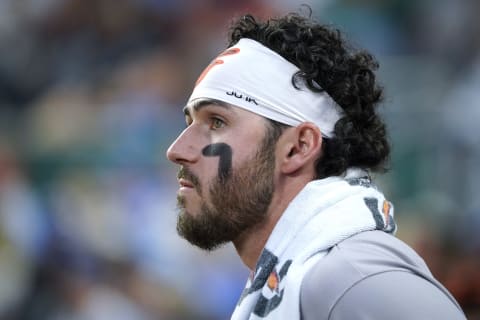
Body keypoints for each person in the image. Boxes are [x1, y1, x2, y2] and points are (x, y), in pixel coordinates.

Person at [166, 12, 466, 320]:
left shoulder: (353, 279)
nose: (176, 150)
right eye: (190, 122)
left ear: (299, 147)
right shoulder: (311, 275)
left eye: (216, 121)